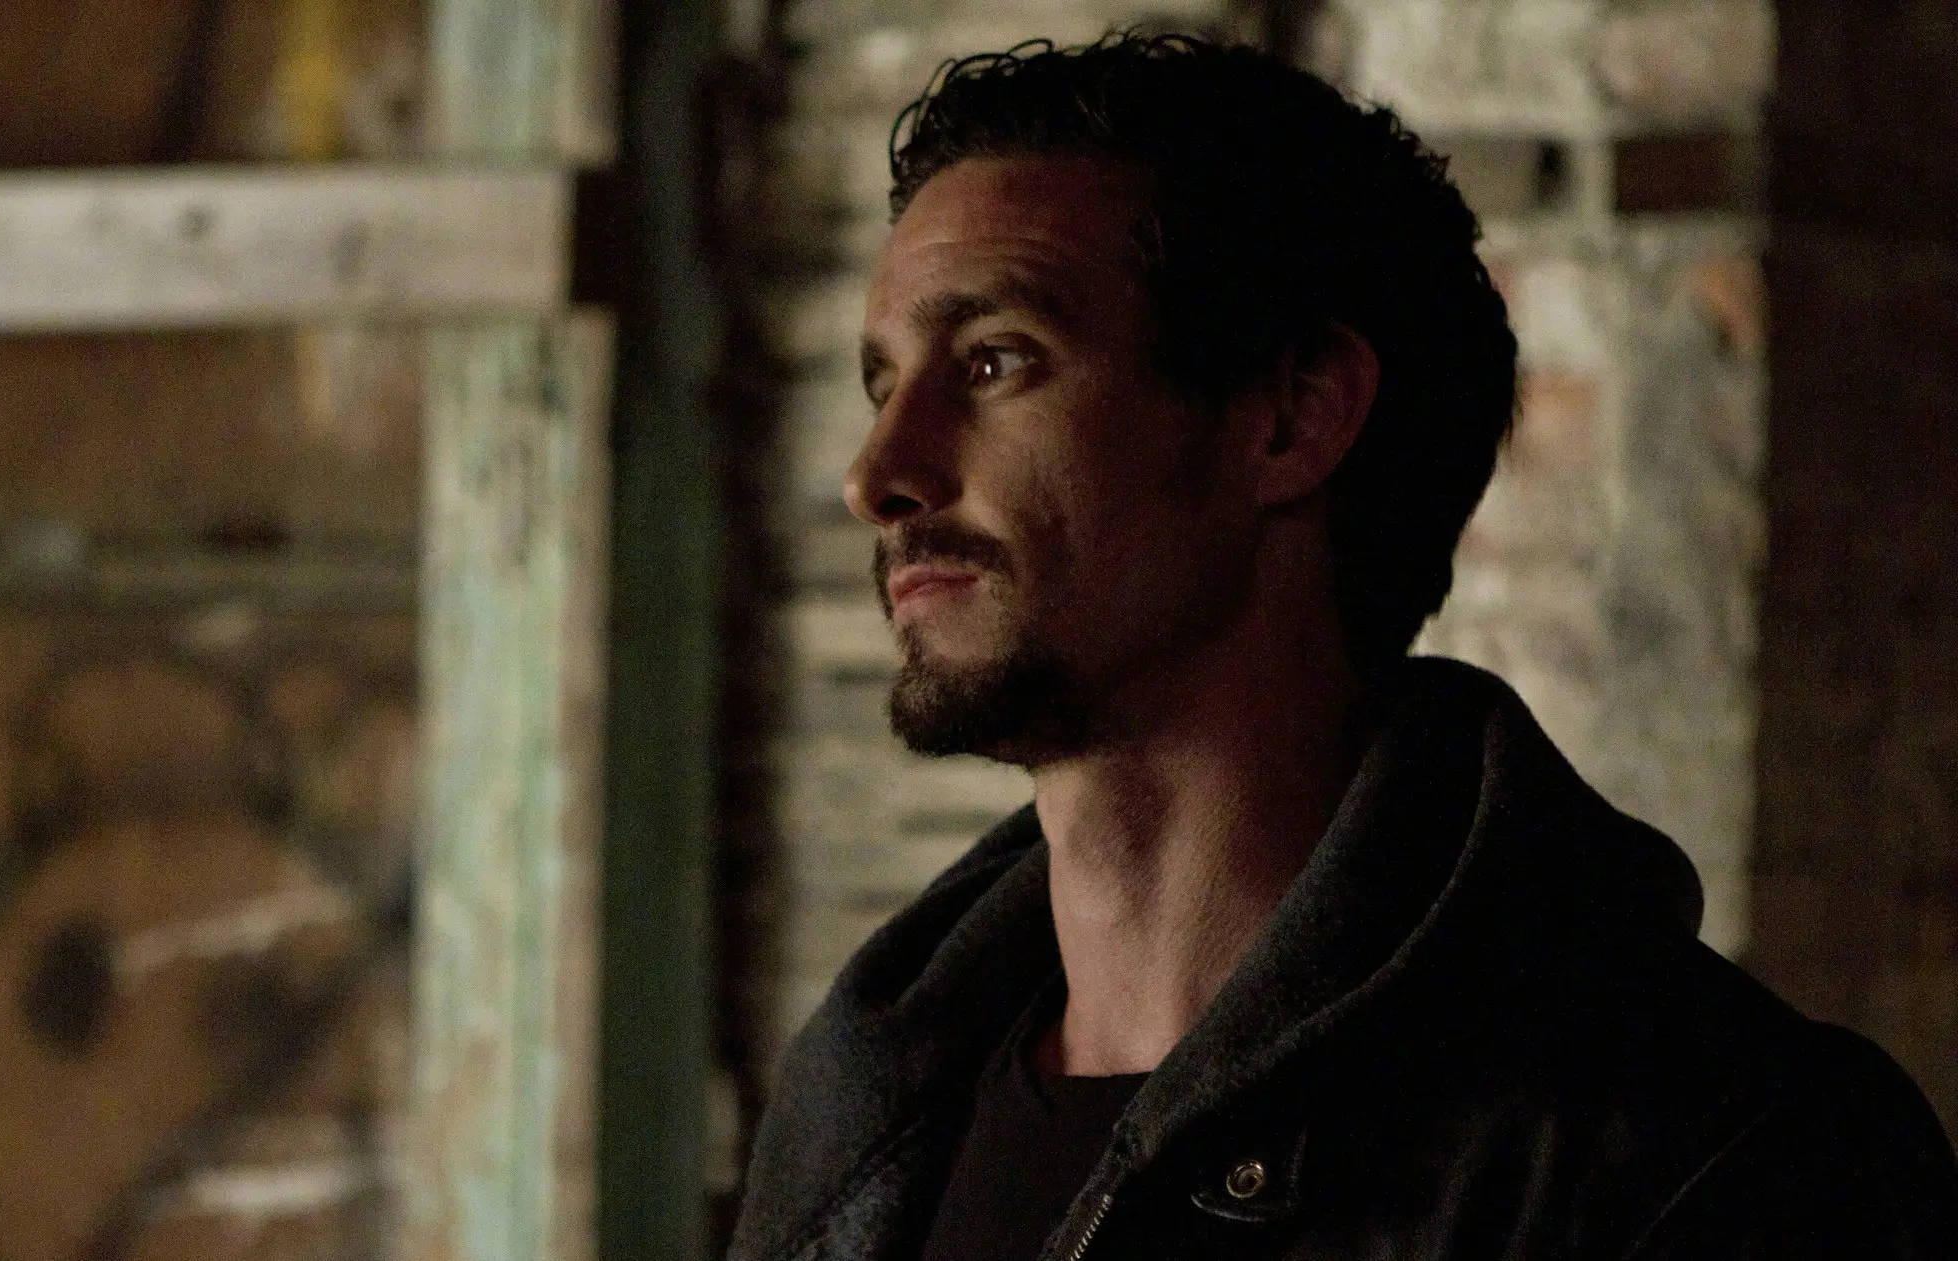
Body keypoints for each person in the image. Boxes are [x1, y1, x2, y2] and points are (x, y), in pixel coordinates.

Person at [729, 32, 1958, 1260]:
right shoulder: (861, 1116)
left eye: (995, 362)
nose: (875, 476)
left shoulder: (1711, 1158)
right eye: (882, 384)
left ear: (1290, 420)